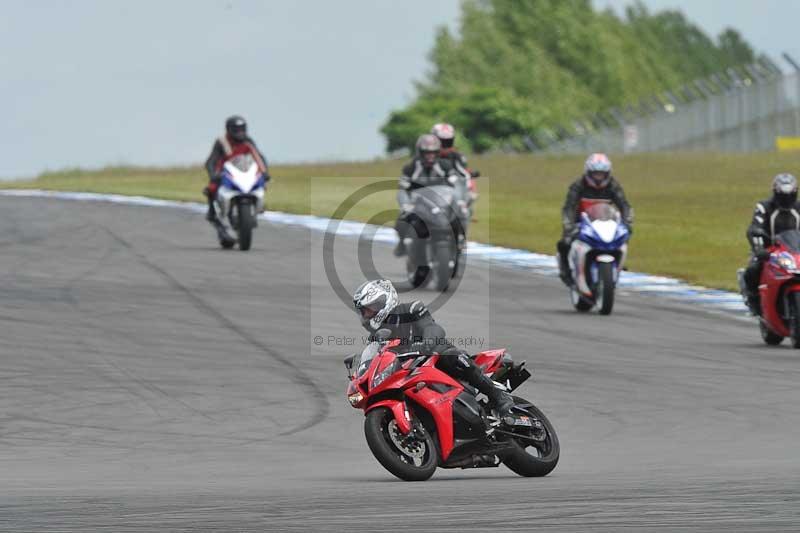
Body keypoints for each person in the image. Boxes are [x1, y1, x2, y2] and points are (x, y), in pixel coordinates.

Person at [352, 279, 513, 416]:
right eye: (364, 311)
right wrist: (361, 375)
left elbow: (434, 329)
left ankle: (498, 395)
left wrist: (425, 345)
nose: (366, 315)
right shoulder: (376, 337)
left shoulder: (412, 309)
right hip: (410, 375)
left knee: (452, 356)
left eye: (369, 309)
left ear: (383, 302)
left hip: (436, 357)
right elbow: (377, 361)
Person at [556, 153, 633, 284]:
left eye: (602, 174)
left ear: (608, 173)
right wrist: (569, 225)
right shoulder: (578, 186)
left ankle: (616, 264)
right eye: (596, 173)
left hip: (604, 221)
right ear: (588, 172)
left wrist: (627, 222)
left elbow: (624, 205)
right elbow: (568, 208)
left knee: (622, 238)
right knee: (565, 243)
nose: (599, 177)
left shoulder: (613, 186)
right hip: (580, 223)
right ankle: (566, 270)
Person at [394, 134, 466, 257]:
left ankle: (460, 240)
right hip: (419, 204)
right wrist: (405, 204)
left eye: (433, 153)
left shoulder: (445, 166)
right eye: (426, 153)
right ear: (420, 153)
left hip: (441, 202)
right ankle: (402, 243)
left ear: (438, 152)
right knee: (402, 220)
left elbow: (457, 184)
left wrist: (458, 200)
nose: (430, 156)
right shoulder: (411, 167)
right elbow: (402, 189)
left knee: (461, 213)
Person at [742, 173, 800, 313]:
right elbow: (754, 227)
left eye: (789, 195)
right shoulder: (764, 207)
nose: (786, 200)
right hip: (769, 251)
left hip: (796, 251)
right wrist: (759, 249)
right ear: (775, 193)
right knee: (752, 270)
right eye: (783, 196)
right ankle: (754, 300)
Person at [204, 115, 271, 222]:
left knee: (261, 183)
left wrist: (265, 172)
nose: (240, 133)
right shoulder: (221, 142)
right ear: (229, 129)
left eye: (242, 129)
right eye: (236, 130)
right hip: (225, 173)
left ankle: (259, 204)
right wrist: (213, 175)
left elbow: (259, 157)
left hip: (244, 171)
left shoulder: (248, 141)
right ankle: (212, 211)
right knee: (211, 188)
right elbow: (210, 162)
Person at [431, 123, 480, 211]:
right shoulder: (426, 156)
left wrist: (472, 191)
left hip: (451, 191)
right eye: (442, 142)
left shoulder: (457, 156)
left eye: (448, 142)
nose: (445, 146)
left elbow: (466, 173)